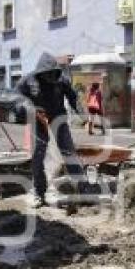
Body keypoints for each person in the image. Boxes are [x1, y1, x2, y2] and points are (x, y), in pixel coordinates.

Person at [15, 52, 86, 207]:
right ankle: (39, 192)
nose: (50, 78)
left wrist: (83, 115)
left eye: (53, 74)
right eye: (47, 75)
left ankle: (83, 189)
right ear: (41, 72)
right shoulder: (28, 80)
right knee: (37, 154)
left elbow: (73, 97)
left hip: (58, 116)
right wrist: (31, 108)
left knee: (68, 152)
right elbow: (18, 96)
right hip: (38, 117)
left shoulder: (62, 80)